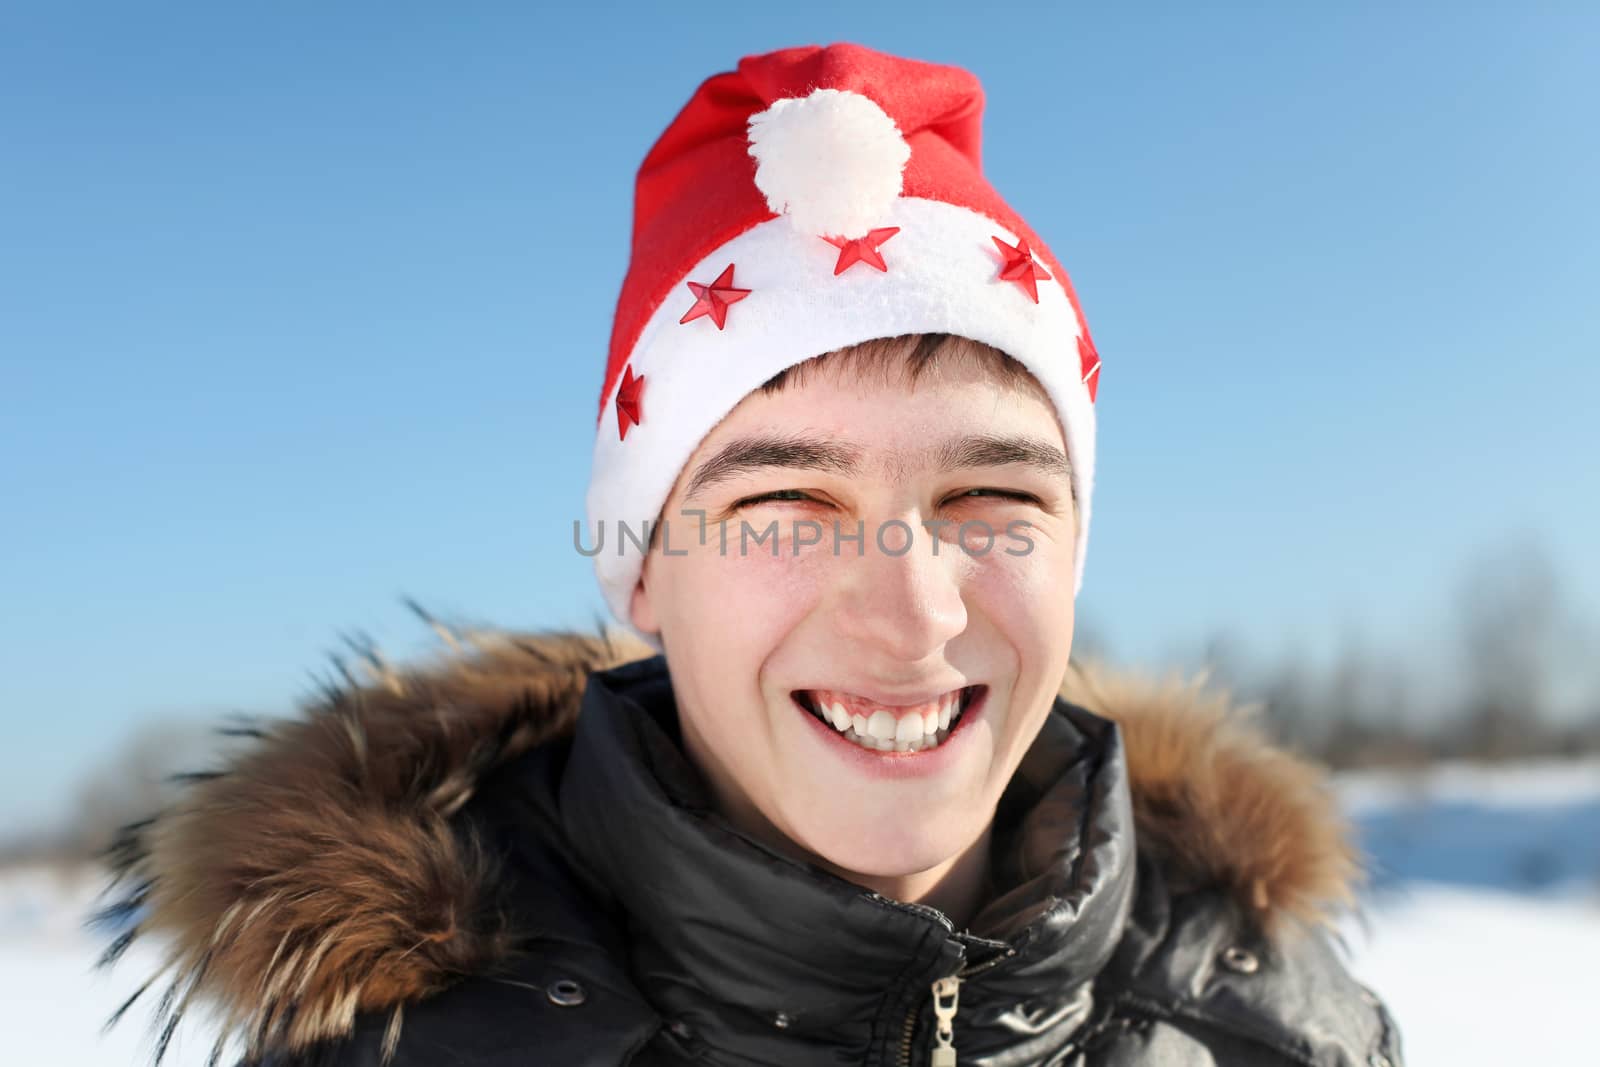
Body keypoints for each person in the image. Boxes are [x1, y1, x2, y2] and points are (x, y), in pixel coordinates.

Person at [97, 41, 1404, 1067]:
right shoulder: (403, 1052)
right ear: (644, 568)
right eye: (787, 504)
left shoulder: (1285, 1027)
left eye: (990, 495)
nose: (912, 616)